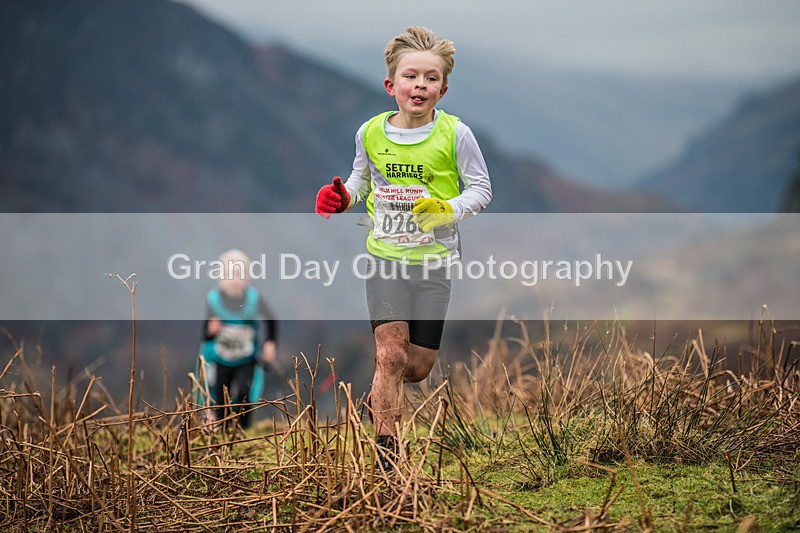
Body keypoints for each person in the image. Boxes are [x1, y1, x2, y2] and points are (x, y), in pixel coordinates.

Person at [314, 26, 492, 466]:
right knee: (390, 354)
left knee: (416, 367)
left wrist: (447, 209)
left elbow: (482, 189)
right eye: (411, 76)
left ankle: (373, 406)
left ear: (443, 89)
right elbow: (361, 179)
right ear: (391, 85)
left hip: (434, 262)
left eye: (431, 79)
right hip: (385, 258)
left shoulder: (456, 134)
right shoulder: (370, 132)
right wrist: (343, 197)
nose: (421, 85)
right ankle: (388, 454)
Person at [198, 249, 278, 429]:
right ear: (219, 278)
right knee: (220, 396)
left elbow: (271, 320)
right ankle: (222, 430)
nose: (233, 280)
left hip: (246, 358)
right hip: (220, 359)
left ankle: (243, 430)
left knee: (244, 393)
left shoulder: (254, 299)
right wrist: (210, 330)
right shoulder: (213, 300)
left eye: (238, 274)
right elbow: (205, 333)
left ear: (248, 278)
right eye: (228, 275)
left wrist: (270, 343)